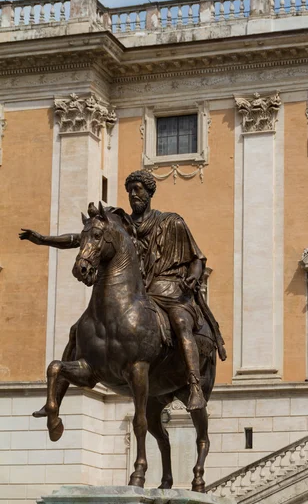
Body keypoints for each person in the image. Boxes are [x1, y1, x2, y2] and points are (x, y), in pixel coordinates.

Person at [20, 170, 226, 412]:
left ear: (149, 192)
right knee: (77, 330)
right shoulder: (120, 226)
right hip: (139, 291)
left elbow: (197, 258)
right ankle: (56, 398)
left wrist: (193, 276)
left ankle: (194, 386)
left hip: (168, 289)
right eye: (130, 190)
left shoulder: (172, 222)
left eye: (138, 189)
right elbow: (83, 238)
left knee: (180, 321)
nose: (133, 194)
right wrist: (44, 240)